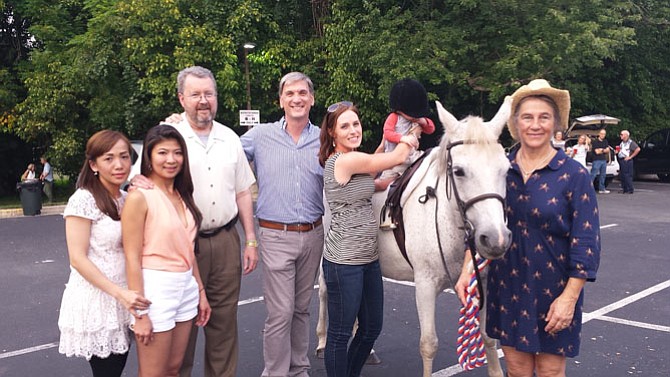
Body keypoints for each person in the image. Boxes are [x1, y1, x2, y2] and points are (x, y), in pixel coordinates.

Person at [456, 79, 600, 377]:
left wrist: (569, 299)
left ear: (555, 123)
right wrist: (466, 269)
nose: (535, 125)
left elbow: (586, 242)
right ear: (516, 123)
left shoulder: (574, 174)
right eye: (527, 117)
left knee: (549, 371)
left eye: (543, 117)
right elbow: (481, 223)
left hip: (555, 290)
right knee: (518, 370)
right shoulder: (500, 170)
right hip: (508, 286)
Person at [133, 65, 258, 377]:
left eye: (209, 94)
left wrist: (251, 239)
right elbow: (137, 179)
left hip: (227, 239)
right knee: (182, 328)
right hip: (183, 245)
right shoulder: (170, 138)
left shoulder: (230, 138)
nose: (204, 101)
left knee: (224, 325)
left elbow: (243, 190)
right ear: (181, 98)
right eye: (195, 94)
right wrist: (137, 180)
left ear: (216, 98)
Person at [317, 101, 419, 377]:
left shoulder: (356, 161)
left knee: (371, 326)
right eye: (345, 126)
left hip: (368, 259)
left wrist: (388, 144)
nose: (353, 130)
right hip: (343, 263)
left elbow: (374, 168)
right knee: (339, 334)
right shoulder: (344, 160)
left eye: (356, 124)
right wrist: (410, 134)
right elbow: (392, 158)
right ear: (332, 133)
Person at [240, 72, 325, 377]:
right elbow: (224, 156)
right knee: (280, 313)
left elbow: (352, 164)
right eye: (290, 94)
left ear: (312, 99)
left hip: (314, 234)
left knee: (301, 309)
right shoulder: (260, 136)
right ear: (281, 100)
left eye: (302, 93)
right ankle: (275, 372)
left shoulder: (324, 137)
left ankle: (299, 368)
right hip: (276, 234)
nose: (297, 99)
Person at [58, 130, 151, 377]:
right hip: (101, 299)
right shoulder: (83, 199)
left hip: (127, 294)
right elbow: (77, 259)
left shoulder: (127, 197)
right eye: (109, 158)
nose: (119, 165)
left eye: (124, 157)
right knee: (107, 372)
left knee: (118, 367)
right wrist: (120, 294)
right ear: (93, 164)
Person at [122, 124, 211, 376]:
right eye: (162, 153)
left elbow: (188, 248)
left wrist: (200, 291)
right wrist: (140, 314)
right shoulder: (140, 196)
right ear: (149, 156)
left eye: (177, 153)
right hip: (155, 289)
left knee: (173, 369)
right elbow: (132, 256)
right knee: (153, 372)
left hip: (185, 286)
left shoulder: (182, 194)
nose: (171, 160)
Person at [376, 78, 435, 189]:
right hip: (394, 162)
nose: (415, 117)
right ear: (399, 110)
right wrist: (402, 138)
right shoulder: (393, 117)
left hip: (412, 157)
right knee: (383, 184)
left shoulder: (417, 118)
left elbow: (431, 129)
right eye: (413, 114)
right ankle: (366, 189)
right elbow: (387, 133)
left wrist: (424, 121)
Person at [617, 130, 640, 194]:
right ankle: (624, 189)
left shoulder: (631, 142)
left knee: (627, 175)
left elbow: (638, 149)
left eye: (622, 134)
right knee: (622, 175)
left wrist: (630, 157)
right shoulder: (622, 143)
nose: (620, 136)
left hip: (627, 161)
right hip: (622, 160)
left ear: (626, 135)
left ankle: (629, 189)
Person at [590, 129, 610, 193]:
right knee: (593, 175)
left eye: (604, 134)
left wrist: (601, 150)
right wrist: (603, 150)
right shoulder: (595, 142)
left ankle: (602, 189)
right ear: (599, 134)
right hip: (596, 160)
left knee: (603, 175)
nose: (603, 135)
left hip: (604, 160)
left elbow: (608, 150)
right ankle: (588, 188)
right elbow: (597, 152)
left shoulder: (605, 141)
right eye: (601, 134)